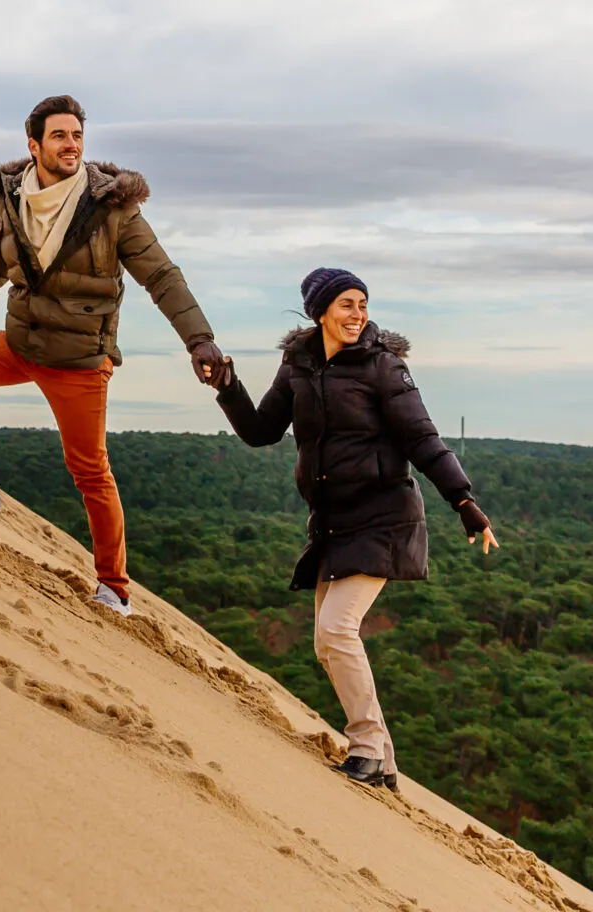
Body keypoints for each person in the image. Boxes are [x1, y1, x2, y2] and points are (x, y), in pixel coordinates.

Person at [0, 95, 231, 617]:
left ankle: (115, 589)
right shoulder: (9, 200)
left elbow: (162, 276)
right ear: (34, 145)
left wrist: (199, 340)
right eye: (60, 136)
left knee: (89, 471)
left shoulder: (113, 207)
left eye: (78, 136)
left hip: (80, 360)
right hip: (20, 344)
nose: (71, 145)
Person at [212, 267, 496, 788]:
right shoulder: (297, 365)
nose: (358, 313)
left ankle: (365, 748)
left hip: (384, 518)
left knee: (336, 631)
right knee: (326, 644)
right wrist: (227, 386)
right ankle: (383, 761)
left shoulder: (383, 367)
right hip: (332, 523)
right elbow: (260, 431)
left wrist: (463, 501)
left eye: (363, 304)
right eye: (347, 303)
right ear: (320, 311)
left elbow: (423, 439)